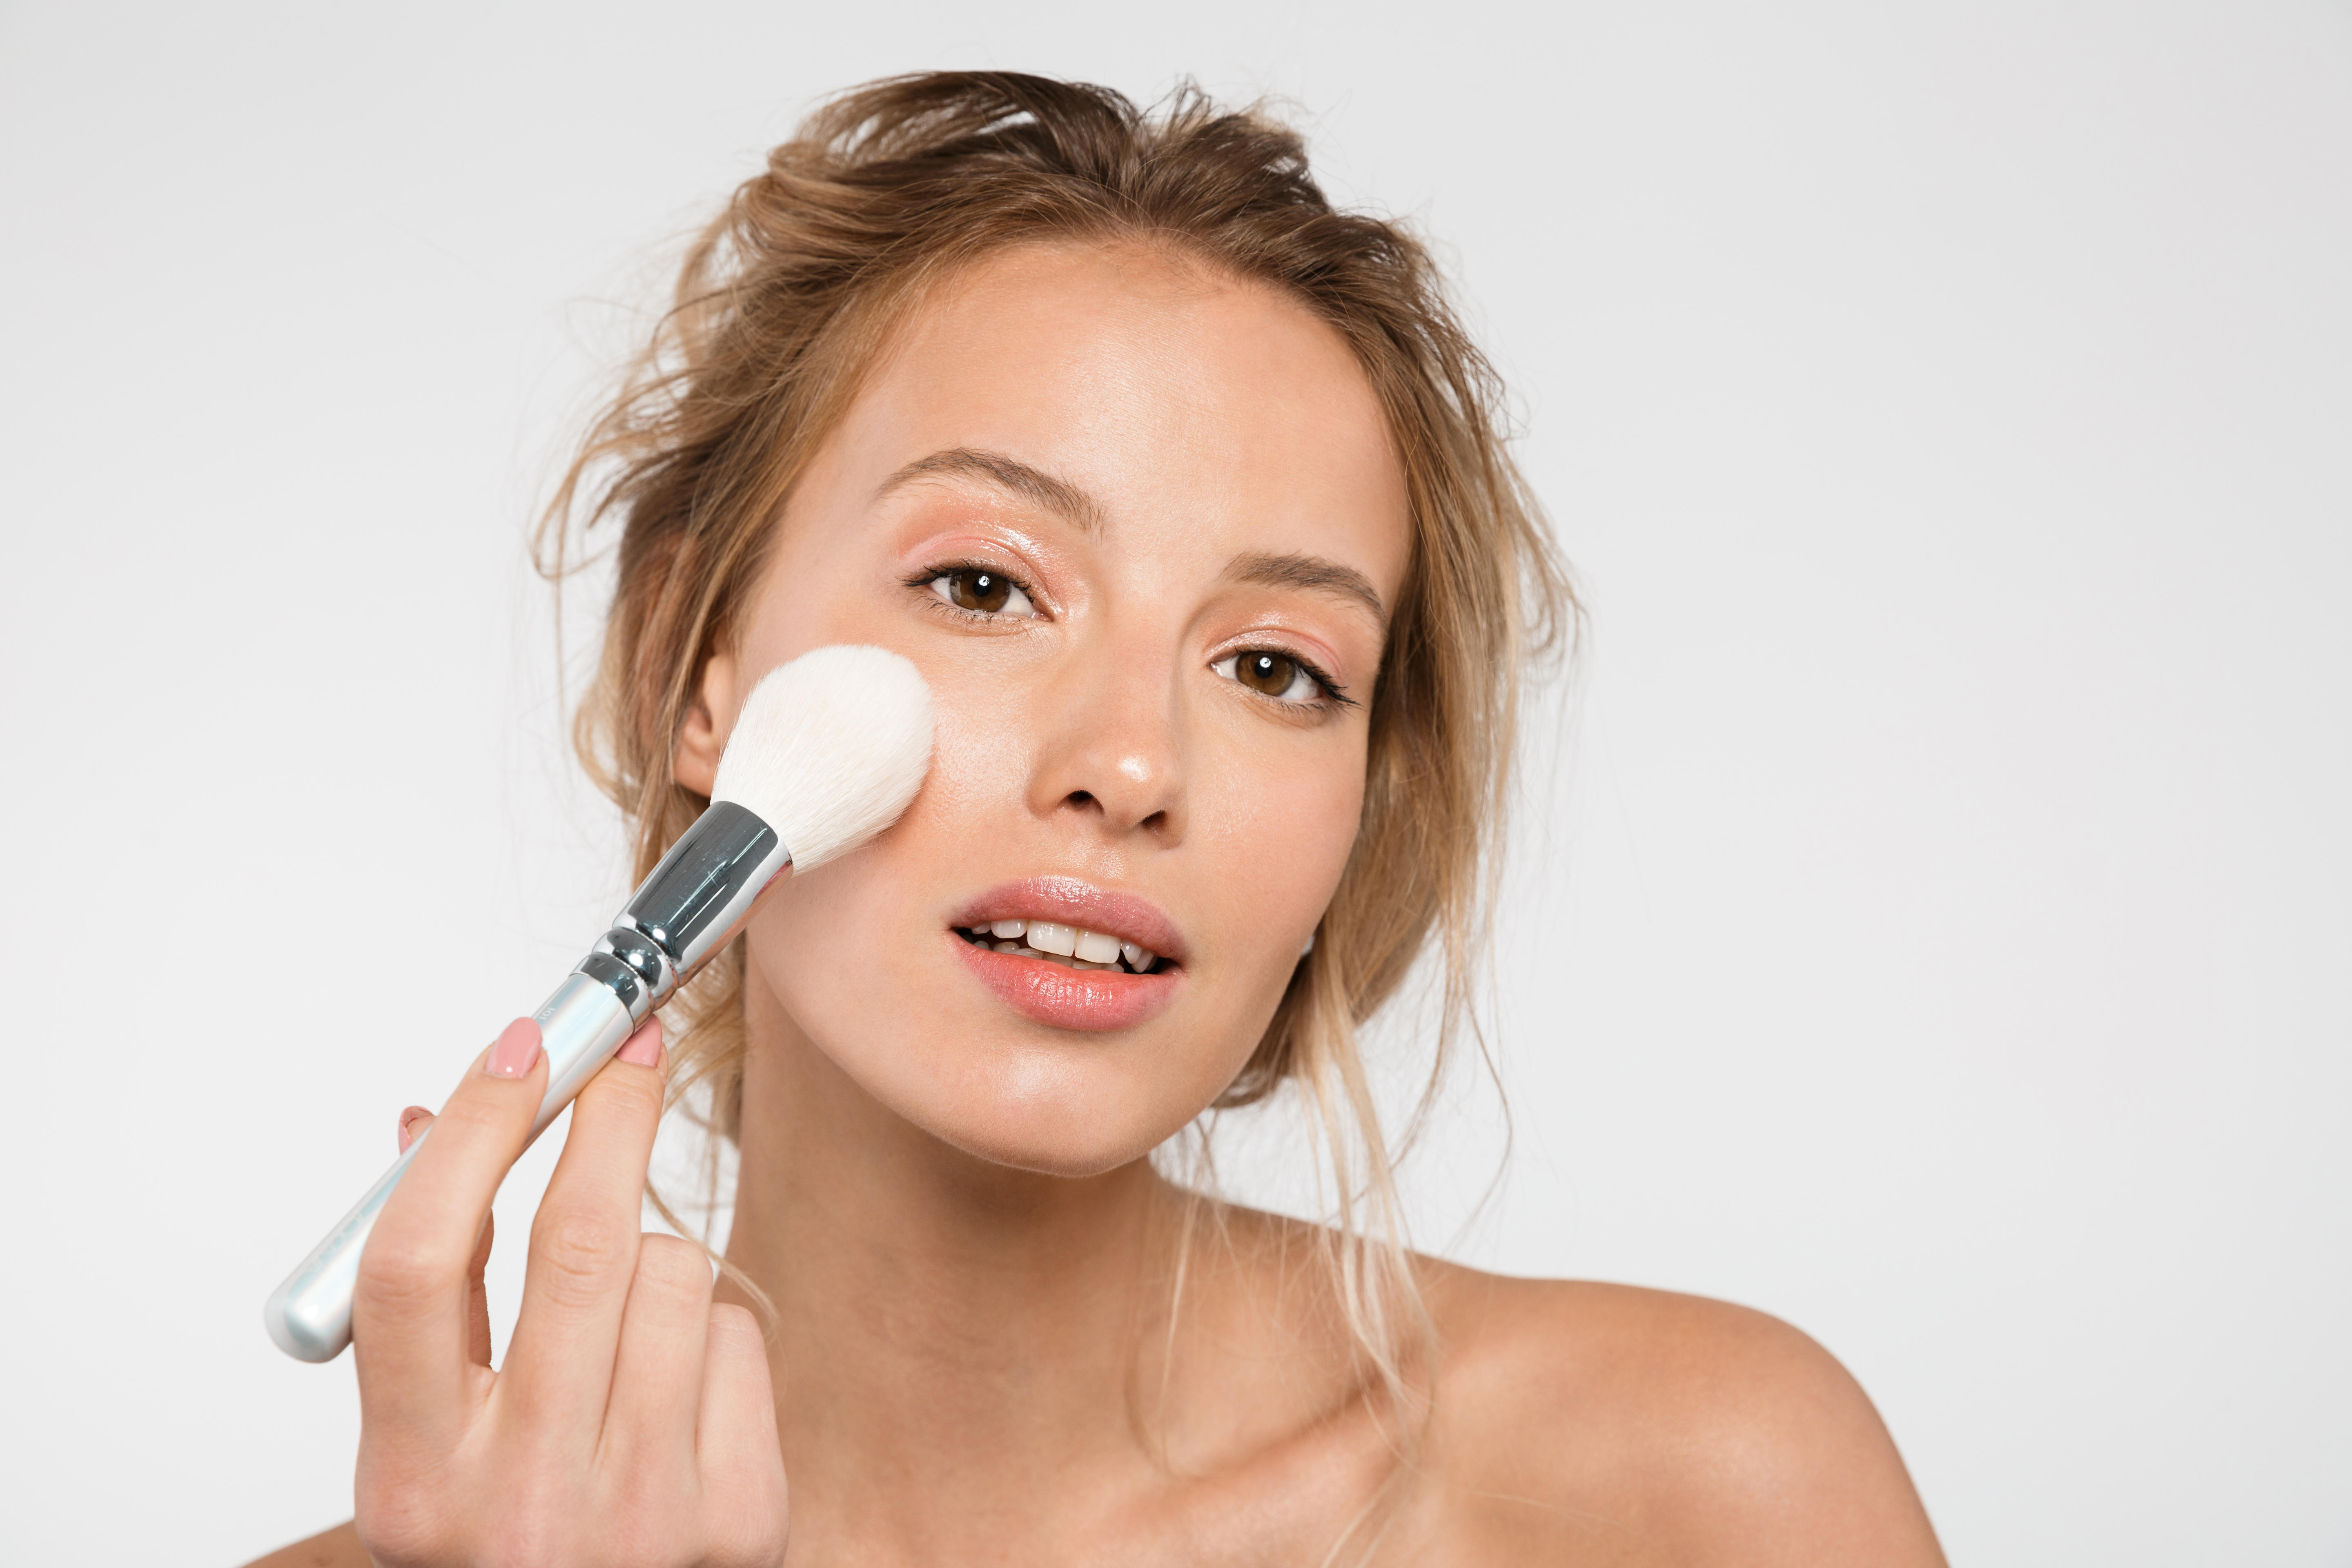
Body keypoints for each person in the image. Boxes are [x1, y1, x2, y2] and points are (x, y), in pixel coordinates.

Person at [250, 72, 1946, 1566]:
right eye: (984, 584)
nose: (1132, 764)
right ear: (696, 666)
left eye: (1277, 668)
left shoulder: (1699, 1493)